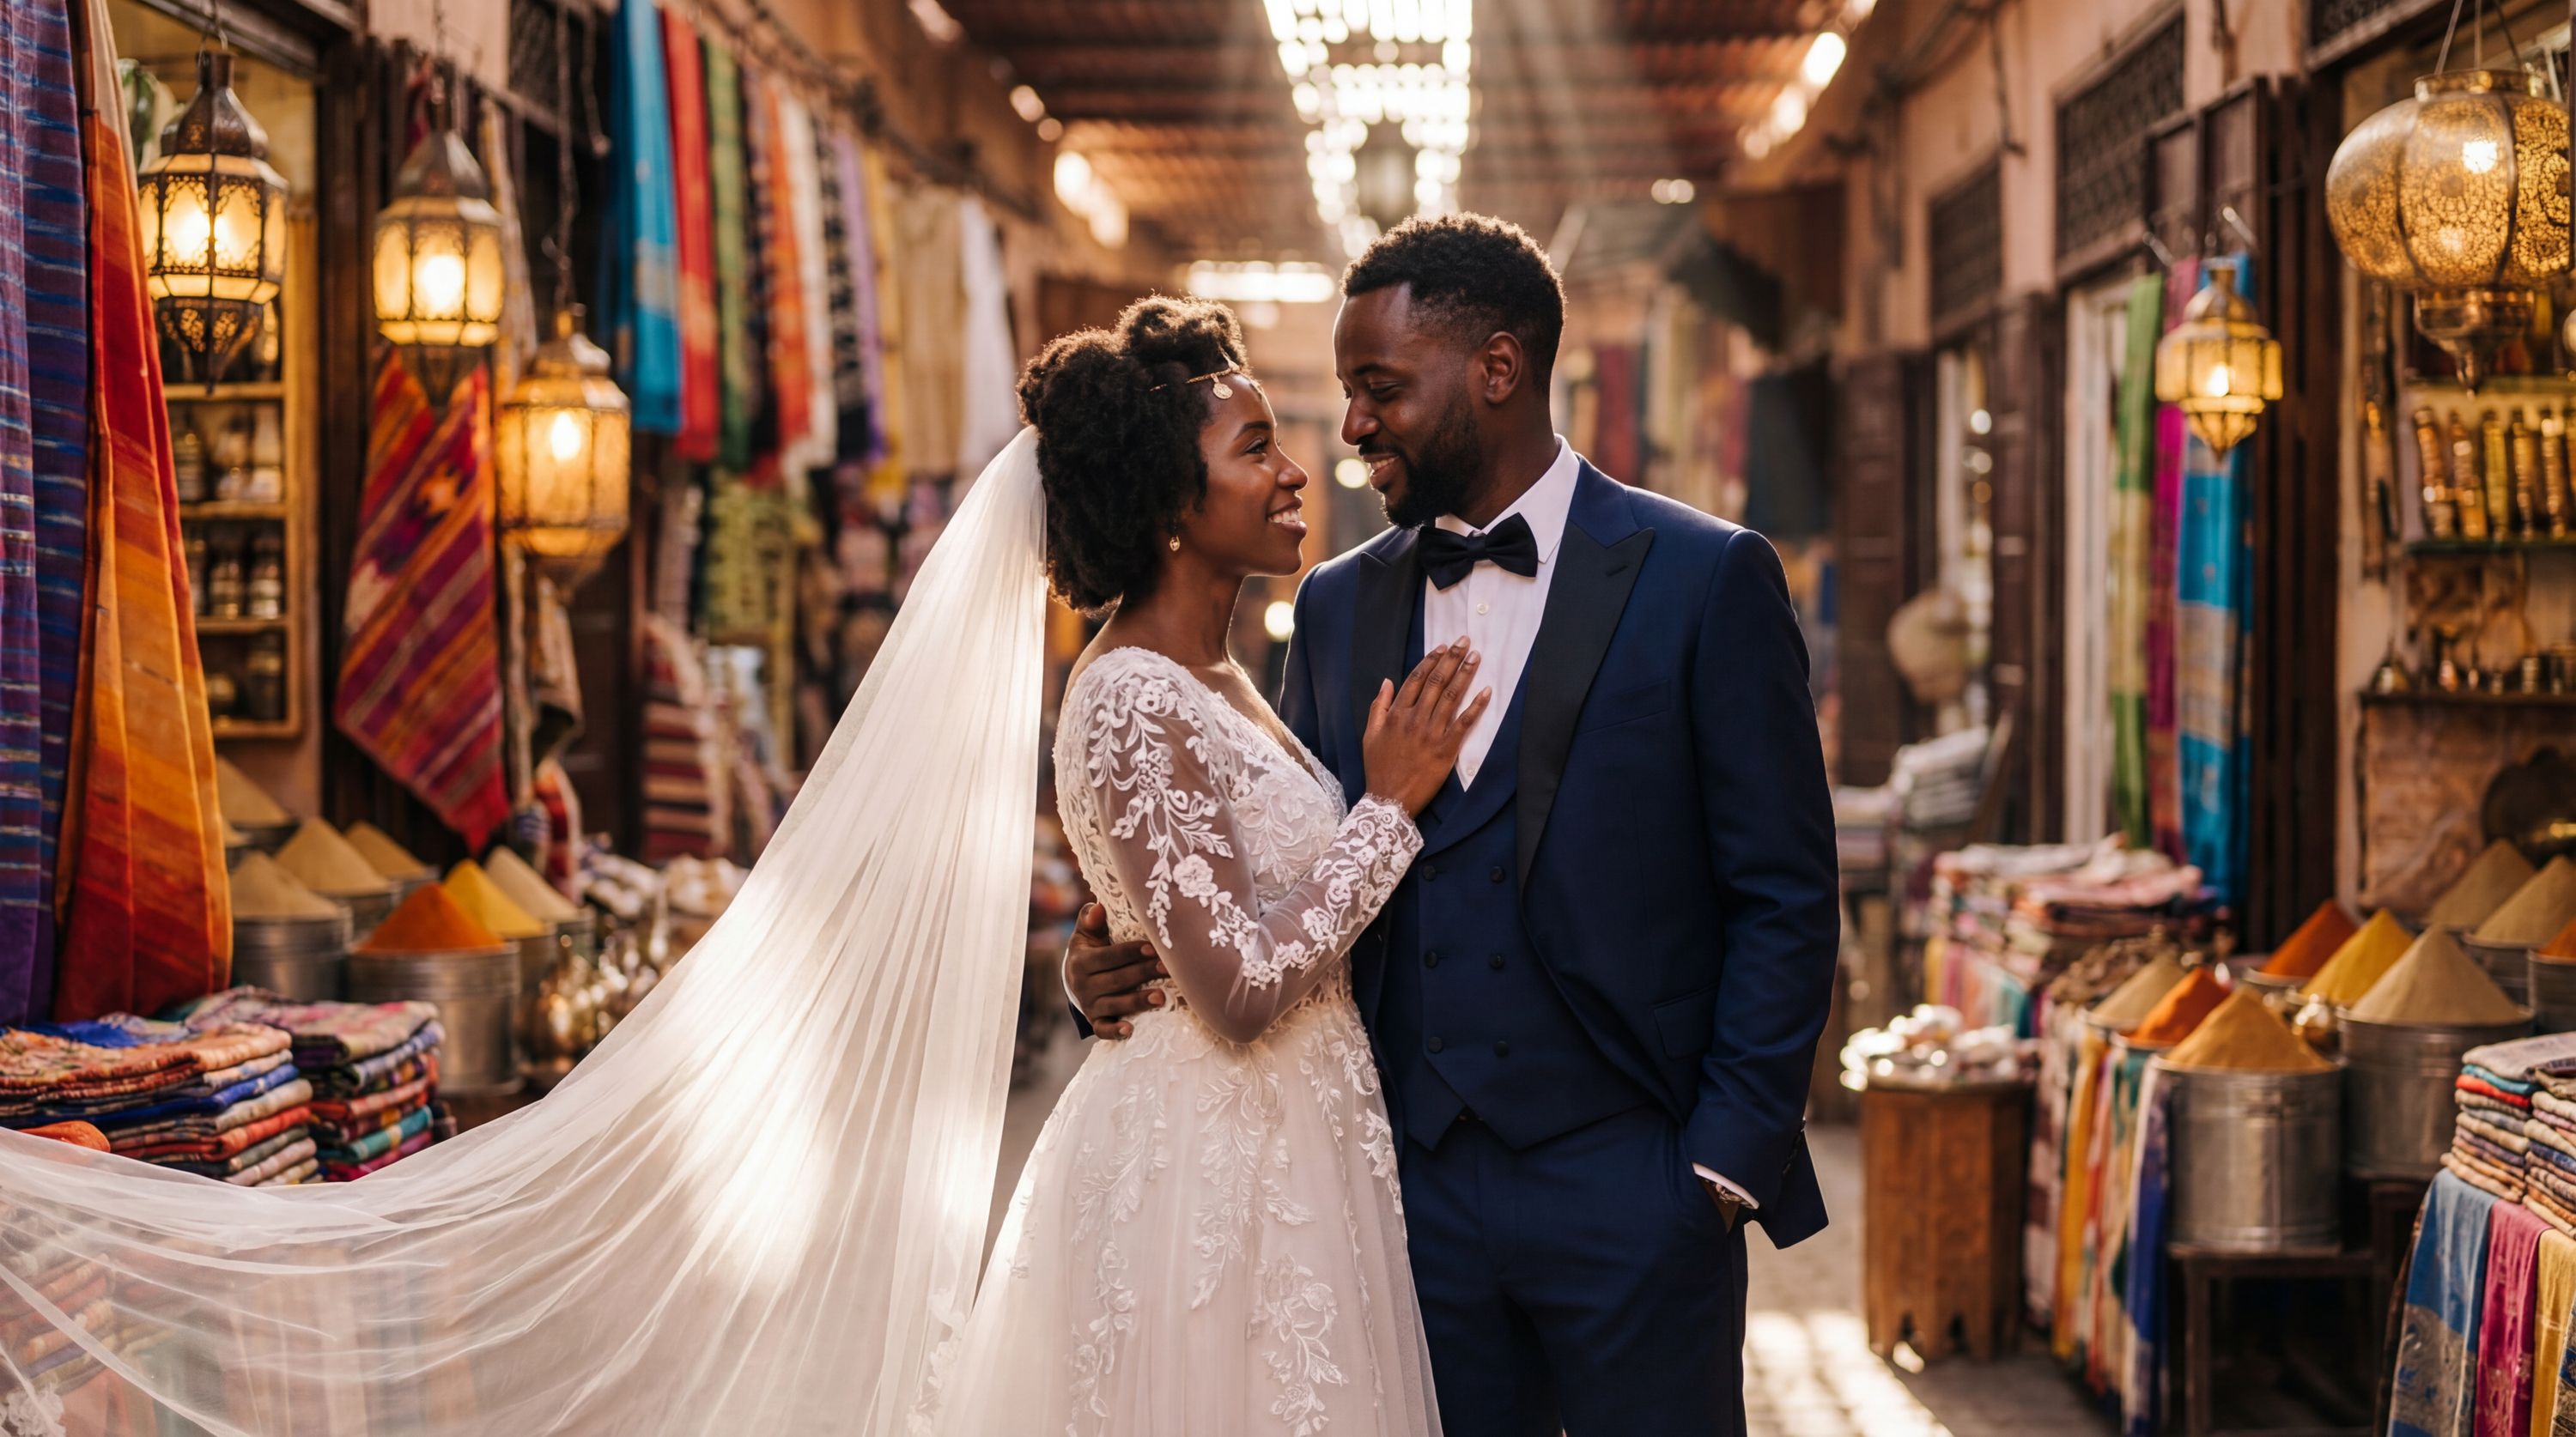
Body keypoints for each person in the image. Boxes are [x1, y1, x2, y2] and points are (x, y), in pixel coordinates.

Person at [1067, 214, 1841, 1437]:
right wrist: (1106, 952)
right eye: (1345, 395)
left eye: (1381, 389)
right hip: (1400, 1204)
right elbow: (1253, 843)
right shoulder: (1330, 606)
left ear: (1497, 368)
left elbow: (1786, 894)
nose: (1354, 427)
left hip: (1637, 1191)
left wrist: (1718, 1170)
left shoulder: (1704, 578)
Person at [934, 297, 1478, 1433]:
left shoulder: (1228, 680)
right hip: (1208, 1171)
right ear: (1172, 505)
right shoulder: (1132, 694)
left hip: (1299, 1145)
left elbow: (1207, 908)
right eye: (1253, 450)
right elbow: (1231, 990)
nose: (1294, 473)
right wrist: (1384, 811)